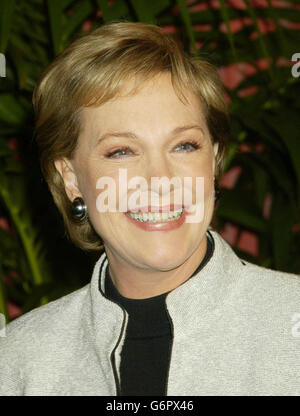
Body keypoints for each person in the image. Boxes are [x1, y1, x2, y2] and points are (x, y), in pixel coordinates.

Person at [0, 21, 299, 397]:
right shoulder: (17, 362)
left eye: (184, 146)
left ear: (214, 160)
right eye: (122, 151)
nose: (160, 179)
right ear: (71, 177)